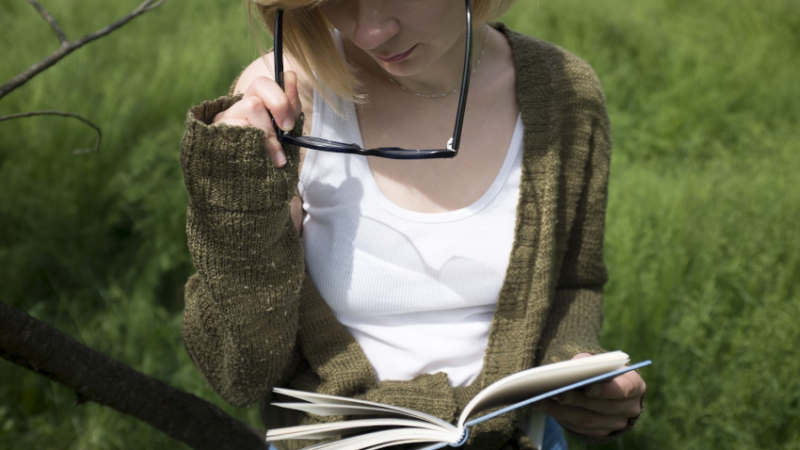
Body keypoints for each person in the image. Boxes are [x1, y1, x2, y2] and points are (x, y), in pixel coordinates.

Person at [179, 0, 646, 449]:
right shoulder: (285, 94)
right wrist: (235, 198)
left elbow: (574, 285)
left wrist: (576, 375)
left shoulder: (564, 96)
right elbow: (241, 373)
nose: (370, 30)